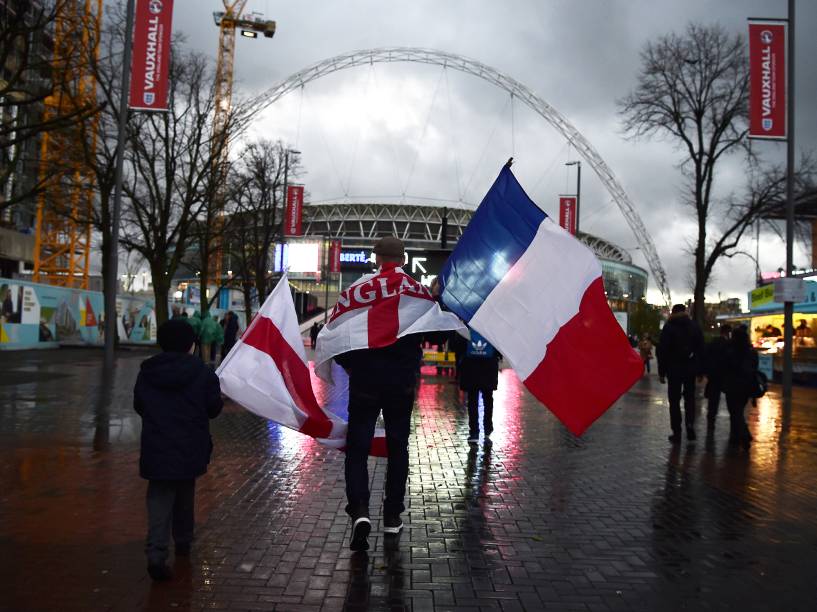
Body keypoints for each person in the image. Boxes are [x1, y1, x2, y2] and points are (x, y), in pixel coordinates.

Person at [332, 236, 449, 551]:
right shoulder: (417, 293)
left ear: (376, 258)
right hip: (401, 383)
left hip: (365, 382)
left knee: (357, 447)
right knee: (399, 447)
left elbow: (336, 333)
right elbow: (437, 334)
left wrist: (352, 366)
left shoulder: (356, 292)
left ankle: (359, 510)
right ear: (404, 259)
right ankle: (393, 515)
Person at [133, 319, 223, 581]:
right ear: (190, 345)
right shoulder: (202, 373)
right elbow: (213, 409)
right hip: (189, 445)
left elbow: (140, 405)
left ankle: (156, 552)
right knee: (185, 494)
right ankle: (183, 542)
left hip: (156, 445)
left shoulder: (147, 372)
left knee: (159, 498)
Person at [657, 304, 705, 443]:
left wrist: (662, 372)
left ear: (673, 312)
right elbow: (701, 349)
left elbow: (662, 351)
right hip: (690, 369)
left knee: (674, 401)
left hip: (674, 369)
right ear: (685, 312)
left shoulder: (669, 327)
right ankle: (690, 424)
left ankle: (676, 432)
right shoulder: (694, 327)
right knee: (690, 398)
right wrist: (700, 370)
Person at [459, 329, 501, 442]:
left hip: (471, 366)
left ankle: (474, 433)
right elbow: (500, 344)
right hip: (488, 366)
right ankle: (487, 429)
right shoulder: (490, 324)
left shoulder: (466, 324)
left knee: (472, 400)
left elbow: (458, 345)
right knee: (488, 399)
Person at [722, 325, 758, 449]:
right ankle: (735, 436)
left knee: (735, 412)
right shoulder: (751, 352)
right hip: (747, 385)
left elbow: (726, 368)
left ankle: (744, 434)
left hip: (732, 385)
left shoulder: (731, 352)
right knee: (738, 411)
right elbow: (755, 368)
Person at [703, 324, 731, 430]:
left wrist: (705, 371)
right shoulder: (728, 344)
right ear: (728, 332)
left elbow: (706, 355)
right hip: (723, 374)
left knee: (713, 397)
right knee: (724, 397)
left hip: (713, 374)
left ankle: (711, 417)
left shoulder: (713, 342)